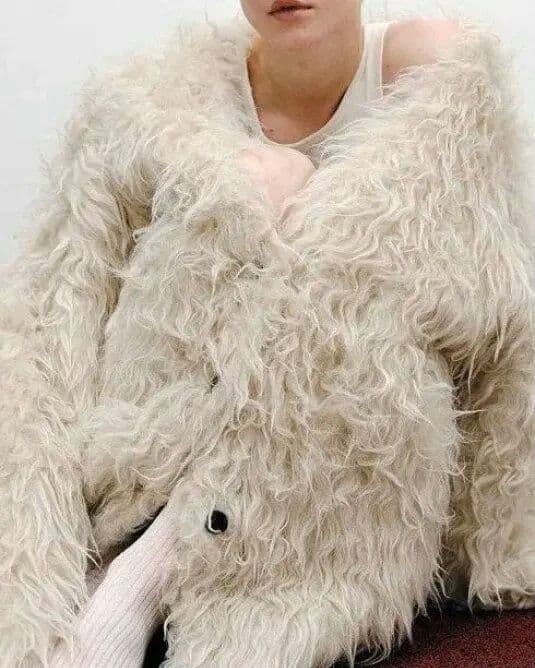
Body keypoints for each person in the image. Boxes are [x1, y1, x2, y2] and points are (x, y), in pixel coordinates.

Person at [48, 1, 461, 665]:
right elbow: (81, 288)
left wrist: (302, 206)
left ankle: (146, 570)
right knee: (199, 233)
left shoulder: (429, 67)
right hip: (173, 420)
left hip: (352, 457)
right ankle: (138, 544)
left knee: (349, 286)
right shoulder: (166, 99)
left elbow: (469, 293)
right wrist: (241, 208)